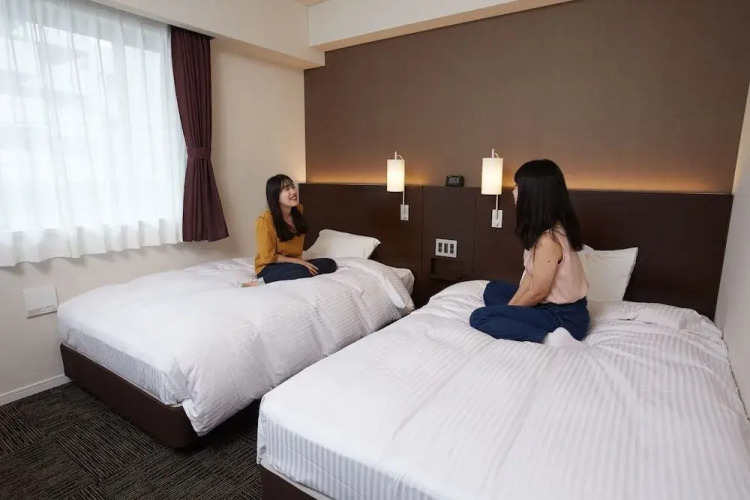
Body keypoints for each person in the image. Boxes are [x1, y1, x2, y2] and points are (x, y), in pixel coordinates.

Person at [469, 159, 589, 347]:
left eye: (518, 186)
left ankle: (549, 338)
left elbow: (538, 291)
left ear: (533, 194)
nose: (513, 191)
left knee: (479, 317)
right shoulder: (543, 230)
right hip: (548, 306)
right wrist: (510, 310)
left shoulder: (549, 239)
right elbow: (530, 279)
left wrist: (507, 313)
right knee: (493, 288)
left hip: (565, 318)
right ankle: (516, 320)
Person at [248, 174, 337, 285]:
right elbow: (268, 257)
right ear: (276, 196)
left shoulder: (299, 211)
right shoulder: (264, 220)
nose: (293, 192)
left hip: (293, 265)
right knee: (303, 270)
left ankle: (299, 269)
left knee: (330, 263)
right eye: (287, 189)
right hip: (269, 267)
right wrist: (298, 262)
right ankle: (260, 282)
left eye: (293, 187)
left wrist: (299, 262)